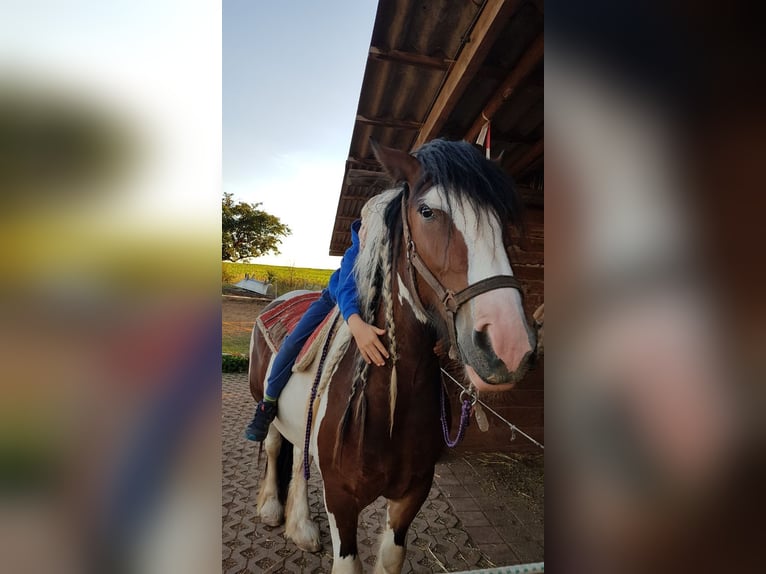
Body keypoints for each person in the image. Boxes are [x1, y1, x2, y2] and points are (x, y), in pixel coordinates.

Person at [245, 217, 389, 441]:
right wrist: (355, 322)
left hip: (377, 306)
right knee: (293, 342)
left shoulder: (397, 251)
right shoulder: (356, 251)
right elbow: (346, 288)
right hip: (333, 301)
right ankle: (267, 404)